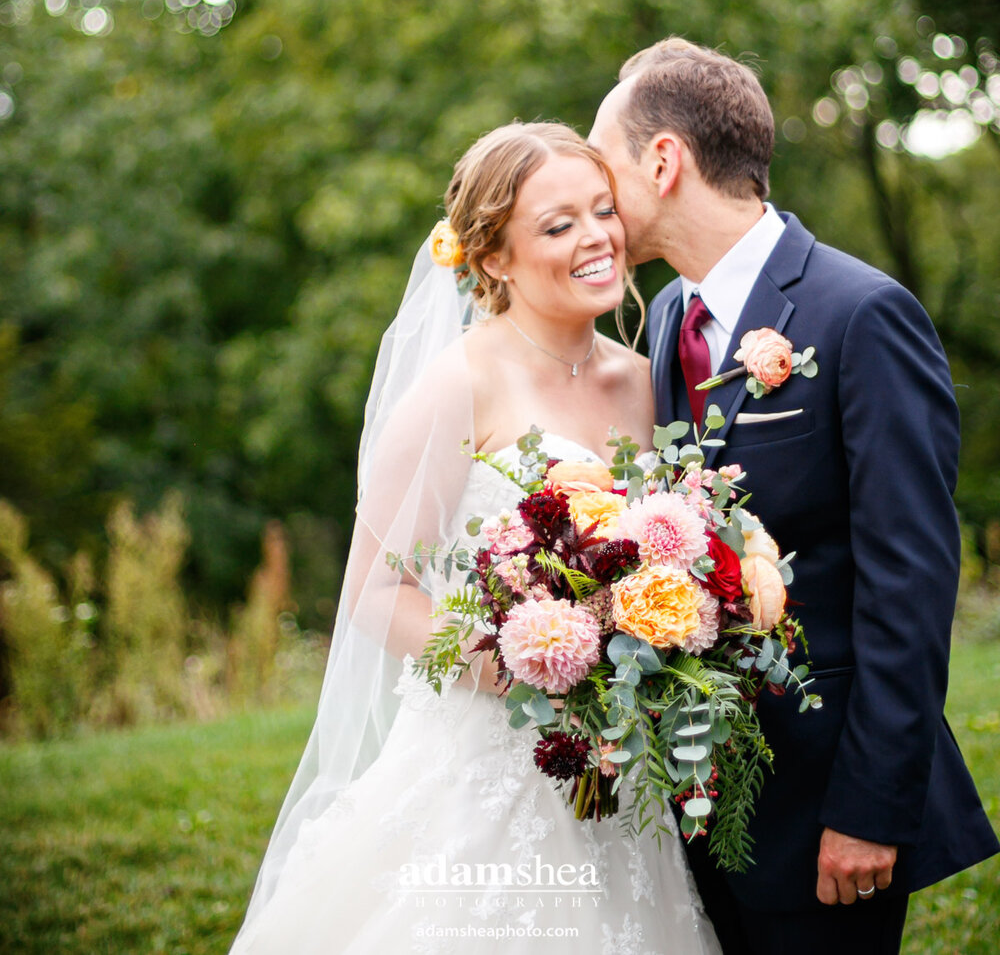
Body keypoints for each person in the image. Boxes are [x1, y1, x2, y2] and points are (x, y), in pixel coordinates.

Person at [229, 121, 721, 955]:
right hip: (485, 764)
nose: (597, 237)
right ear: (492, 257)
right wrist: (530, 668)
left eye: (603, 210)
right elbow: (376, 590)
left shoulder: (644, 380)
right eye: (558, 225)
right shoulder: (459, 383)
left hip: (618, 775)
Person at [590, 38, 999, 955]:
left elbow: (913, 582)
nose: (592, 193)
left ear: (663, 161)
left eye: (601, 160)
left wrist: (871, 807)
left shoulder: (862, 314)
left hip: (828, 805)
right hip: (699, 796)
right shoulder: (663, 318)